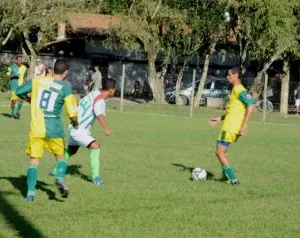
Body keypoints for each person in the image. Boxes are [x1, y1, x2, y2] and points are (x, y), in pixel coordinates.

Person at [15, 59, 79, 202]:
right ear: (66, 73)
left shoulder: (38, 81)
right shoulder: (65, 88)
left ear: (54, 69)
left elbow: (19, 92)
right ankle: (60, 178)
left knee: (34, 162)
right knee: (60, 158)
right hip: (54, 129)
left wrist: (29, 100)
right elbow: (73, 114)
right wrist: (76, 124)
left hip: (36, 129)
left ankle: (30, 194)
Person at [50, 78, 116, 185]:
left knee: (72, 150)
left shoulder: (94, 93)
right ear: (111, 90)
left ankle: (55, 170)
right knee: (96, 146)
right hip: (79, 129)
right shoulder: (100, 100)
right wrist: (106, 128)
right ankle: (96, 178)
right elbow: (99, 114)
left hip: (74, 126)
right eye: (115, 89)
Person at [209, 66, 256, 185]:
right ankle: (225, 177)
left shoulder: (239, 90)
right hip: (231, 125)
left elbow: (251, 105)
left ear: (236, 76)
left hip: (230, 127)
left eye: (229, 75)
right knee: (223, 151)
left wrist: (245, 124)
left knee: (219, 152)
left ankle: (234, 180)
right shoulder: (237, 89)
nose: (227, 77)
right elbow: (234, 110)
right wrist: (219, 118)